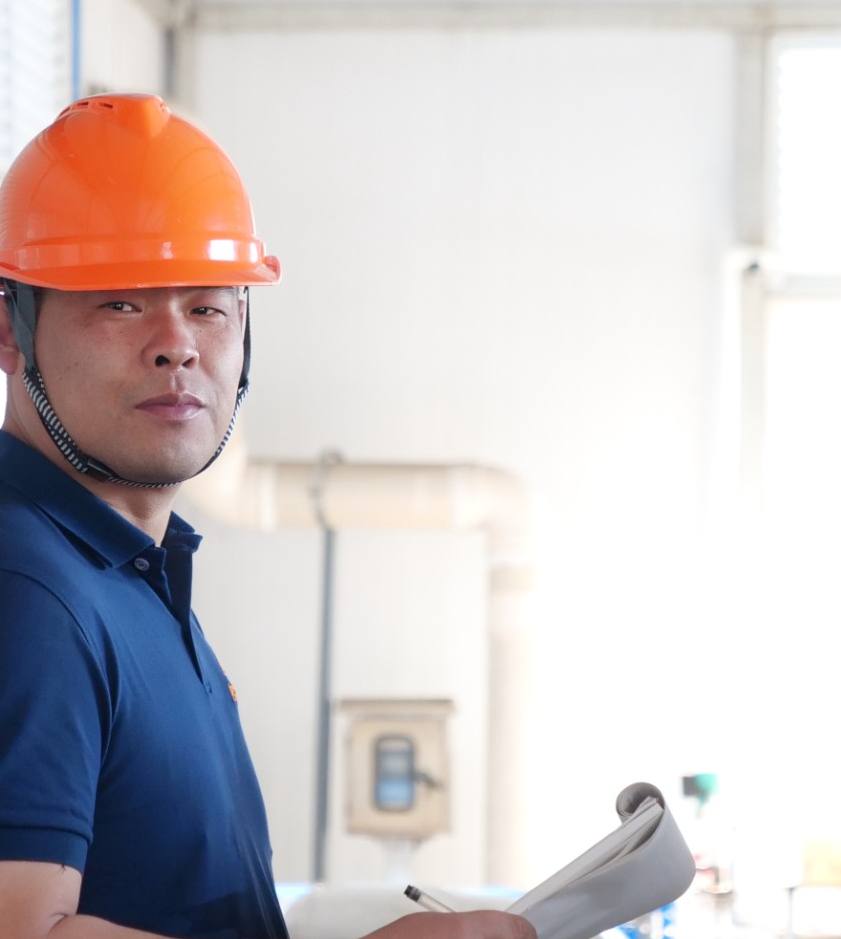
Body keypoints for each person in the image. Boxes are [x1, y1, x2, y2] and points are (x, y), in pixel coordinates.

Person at [0, 94, 534, 939]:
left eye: (207, 306)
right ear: (9, 329)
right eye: (120, 303)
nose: (176, 344)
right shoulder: (28, 590)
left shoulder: (129, 576)